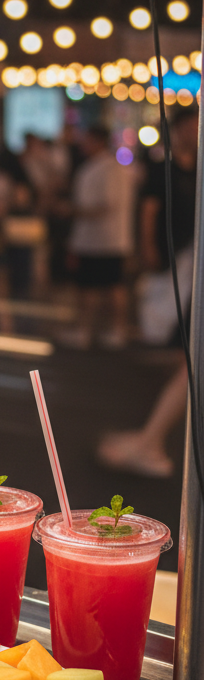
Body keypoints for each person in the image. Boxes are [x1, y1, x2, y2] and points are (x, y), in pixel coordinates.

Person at [98, 107, 199, 477]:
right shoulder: (164, 169)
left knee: (189, 365)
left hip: (191, 263)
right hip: (177, 262)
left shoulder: (196, 168)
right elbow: (149, 211)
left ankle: (149, 440)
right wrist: (147, 250)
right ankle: (149, 440)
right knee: (189, 365)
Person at [62, 125, 137, 349]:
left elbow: (106, 205)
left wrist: (73, 211)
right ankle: (95, 330)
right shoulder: (97, 167)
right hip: (99, 239)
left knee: (101, 287)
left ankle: (109, 329)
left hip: (104, 239)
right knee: (100, 286)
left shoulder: (109, 169)